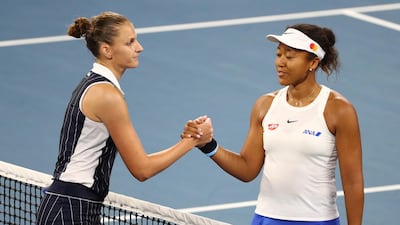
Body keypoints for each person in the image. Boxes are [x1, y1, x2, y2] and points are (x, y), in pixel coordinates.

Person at [35, 12, 212, 225]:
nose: (139, 47)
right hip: (71, 210)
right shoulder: (108, 96)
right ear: (107, 50)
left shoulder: (95, 85)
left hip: (71, 206)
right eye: (130, 42)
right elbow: (142, 169)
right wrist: (193, 140)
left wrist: (188, 140)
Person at [183, 24, 364, 225]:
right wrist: (208, 145)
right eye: (279, 54)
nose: (281, 63)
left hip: (317, 221)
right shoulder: (265, 105)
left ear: (312, 63)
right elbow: (247, 169)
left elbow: (353, 182)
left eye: (290, 56)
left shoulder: (338, 110)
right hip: (265, 218)